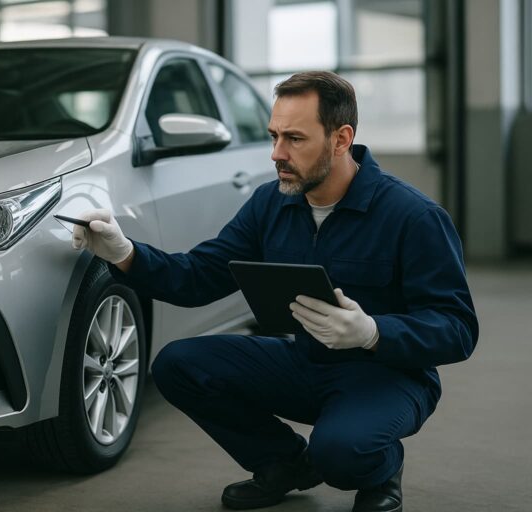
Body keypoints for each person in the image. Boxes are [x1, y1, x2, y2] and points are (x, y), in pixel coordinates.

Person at [70, 71, 478, 511]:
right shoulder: (271, 203)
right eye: (274, 136)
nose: (276, 154)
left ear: (341, 139)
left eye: (295, 139)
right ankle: (284, 463)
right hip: (306, 361)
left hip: (388, 375)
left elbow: (457, 329)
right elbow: (198, 276)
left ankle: (382, 469)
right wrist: (124, 252)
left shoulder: (413, 216)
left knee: (340, 453)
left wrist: (373, 332)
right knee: (178, 364)